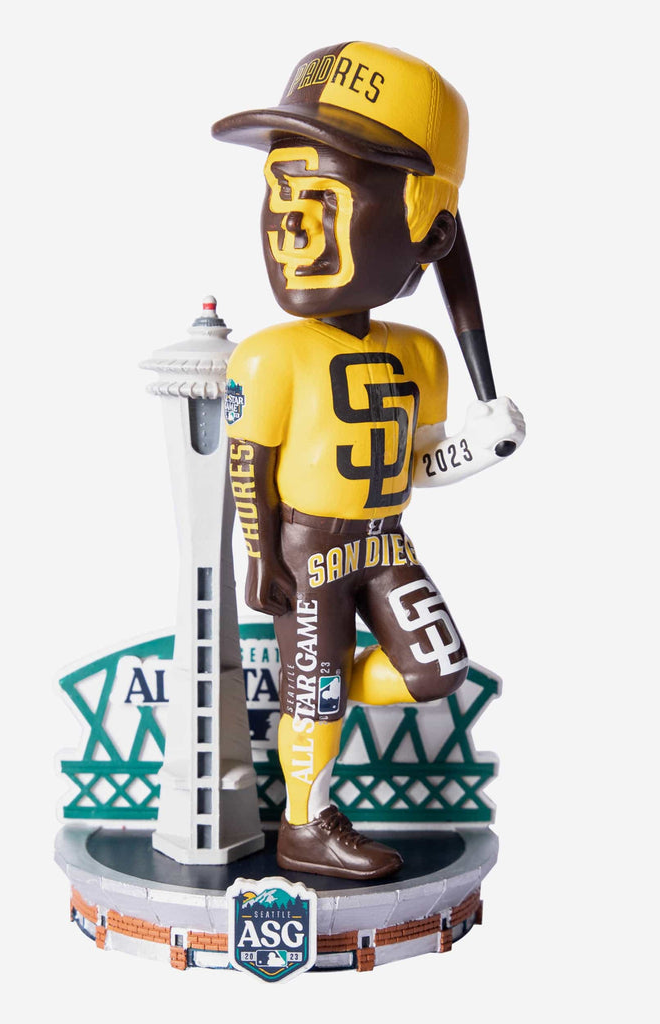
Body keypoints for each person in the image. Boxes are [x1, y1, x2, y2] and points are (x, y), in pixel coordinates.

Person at [213, 42, 525, 880]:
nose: (290, 222)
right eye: (281, 190)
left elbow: (415, 463)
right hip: (306, 547)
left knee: (437, 669)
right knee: (316, 694)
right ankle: (304, 823)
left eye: (324, 195)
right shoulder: (268, 357)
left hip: (386, 539)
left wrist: (481, 448)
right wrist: (261, 555)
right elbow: (248, 465)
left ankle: (321, 685)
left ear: (431, 230)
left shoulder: (420, 352)